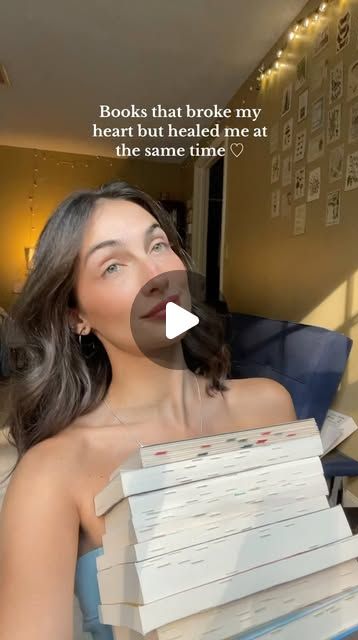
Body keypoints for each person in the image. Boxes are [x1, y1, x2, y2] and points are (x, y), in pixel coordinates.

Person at [0, 180, 296, 639]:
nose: (154, 274)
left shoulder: (270, 406)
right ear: (77, 317)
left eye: (158, 245)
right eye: (114, 265)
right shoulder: (52, 474)